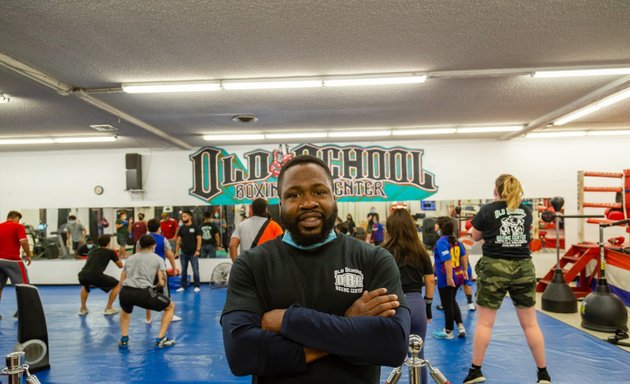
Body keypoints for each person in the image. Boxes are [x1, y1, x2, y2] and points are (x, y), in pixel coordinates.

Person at [221, 155, 410, 383]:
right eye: (294, 194)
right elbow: (242, 354)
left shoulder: (373, 259)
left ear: (334, 197)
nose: (308, 202)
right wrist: (349, 322)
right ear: (280, 204)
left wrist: (288, 320)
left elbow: (393, 344)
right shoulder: (252, 264)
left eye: (319, 192)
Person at [464, 174, 551, 384]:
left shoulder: (488, 210)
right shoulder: (526, 210)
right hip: (523, 267)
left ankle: (476, 371)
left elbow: (475, 237)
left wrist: (490, 229)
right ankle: (543, 374)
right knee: (530, 324)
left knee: (485, 323)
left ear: (496, 190)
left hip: (495, 266)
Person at [382, 208, 435, 384]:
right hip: (416, 304)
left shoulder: (382, 252)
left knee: (380, 355)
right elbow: (430, 281)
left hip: (392, 305)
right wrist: (428, 306)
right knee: (418, 356)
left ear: (389, 229)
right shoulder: (420, 252)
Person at [118, 235, 176, 349]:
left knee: (125, 311)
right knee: (170, 306)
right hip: (143, 293)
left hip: (125, 292)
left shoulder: (130, 258)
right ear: (153, 245)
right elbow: (162, 281)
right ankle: (161, 339)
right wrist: (157, 285)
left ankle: (124, 339)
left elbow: (122, 280)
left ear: (139, 245)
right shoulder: (158, 259)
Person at [432, 217, 468, 340]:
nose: (434, 227)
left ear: (441, 227)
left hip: (447, 277)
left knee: (447, 304)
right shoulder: (456, 241)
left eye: (436, 224)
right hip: (458, 275)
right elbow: (463, 255)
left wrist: (448, 277)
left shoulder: (442, 242)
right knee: (452, 301)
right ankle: (461, 326)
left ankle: (448, 331)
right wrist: (464, 270)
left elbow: (447, 260)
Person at [142, 218, 182, 324]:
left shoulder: (142, 240)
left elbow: (137, 255)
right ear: (159, 228)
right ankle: (170, 315)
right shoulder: (163, 239)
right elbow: (170, 255)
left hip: (146, 271)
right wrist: (174, 268)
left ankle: (148, 318)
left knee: (148, 293)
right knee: (165, 294)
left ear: (148, 228)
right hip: (160, 270)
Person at [77, 235, 122, 316]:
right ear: (108, 243)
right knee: (117, 284)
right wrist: (116, 255)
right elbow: (120, 265)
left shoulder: (92, 251)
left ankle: (83, 308)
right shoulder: (110, 252)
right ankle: (109, 308)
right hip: (95, 275)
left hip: (82, 274)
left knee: (85, 286)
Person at [0, 211, 33, 320]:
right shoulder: (18, 226)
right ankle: (22, 312)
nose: (18, 221)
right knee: (24, 286)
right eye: (18, 219)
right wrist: (28, 254)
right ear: (15, 218)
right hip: (13, 261)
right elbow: (23, 242)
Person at [175, 210, 201, 292]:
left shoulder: (195, 227)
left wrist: (198, 250)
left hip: (193, 253)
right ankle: (183, 286)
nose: (183, 218)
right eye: (182, 216)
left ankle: (197, 286)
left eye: (185, 216)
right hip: (184, 253)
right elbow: (178, 240)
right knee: (183, 271)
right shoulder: (182, 228)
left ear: (190, 217)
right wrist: (176, 252)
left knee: (195, 270)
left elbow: (199, 239)